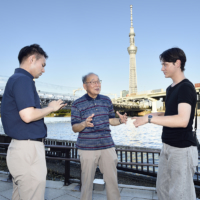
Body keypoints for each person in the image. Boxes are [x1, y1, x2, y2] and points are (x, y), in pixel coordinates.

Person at [1, 44, 66, 200]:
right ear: (32, 59)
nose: (43, 70)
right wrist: (51, 108)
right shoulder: (23, 80)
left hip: (20, 148)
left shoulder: (15, 79)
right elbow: (28, 115)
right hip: (28, 151)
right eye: (42, 65)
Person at [132, 47, 198, 200]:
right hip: (167, 146)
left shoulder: (186, 87)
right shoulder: (170, 89)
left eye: (165, 64)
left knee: (180, 194)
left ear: (177, 63)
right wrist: (153, 114)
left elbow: (182, 120)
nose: (162, 68)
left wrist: (149, 119)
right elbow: (170, 114)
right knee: (162, 190)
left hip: (182, 149)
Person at [71, 73, 127, 200]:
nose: (97, 84)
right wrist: (84, 124)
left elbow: (111, 120)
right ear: (85, 86)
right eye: (93, 82)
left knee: (112, 181)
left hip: (107, 146)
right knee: (86, 183)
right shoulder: (77, 104)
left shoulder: (106, 100)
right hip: (87, 148)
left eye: (98, 81)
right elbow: (74, 128)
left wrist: (119, 120)